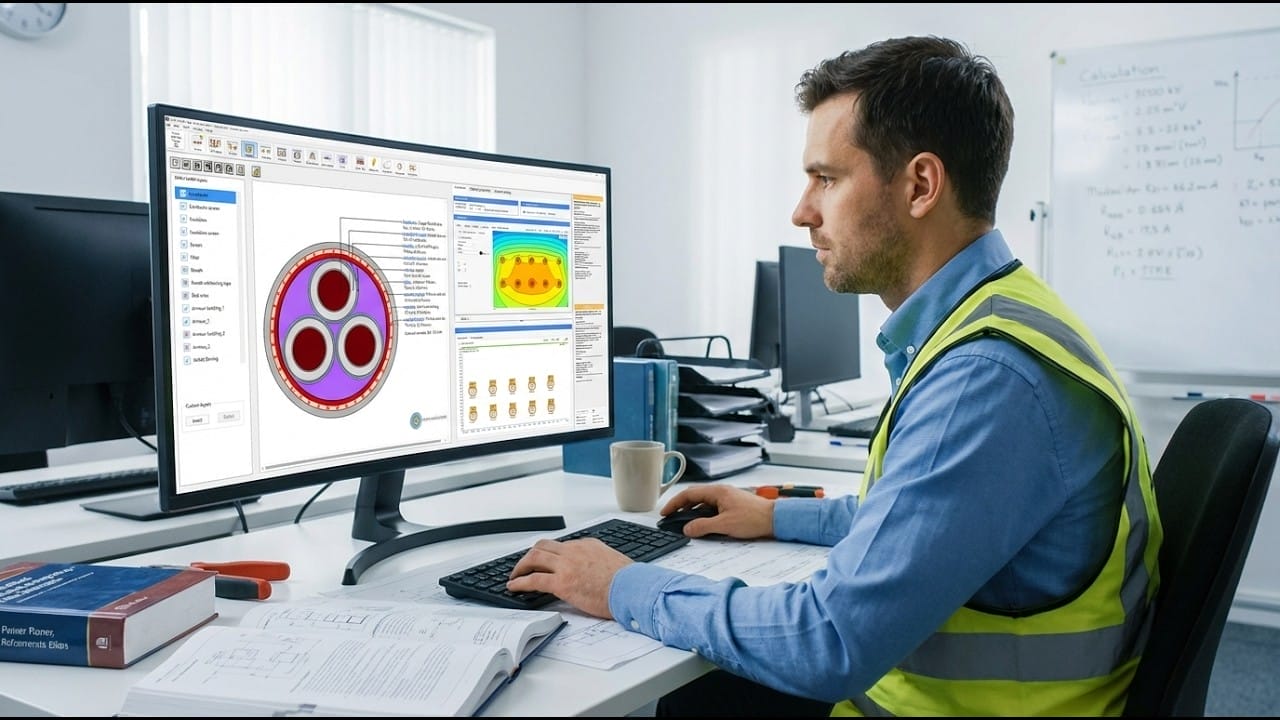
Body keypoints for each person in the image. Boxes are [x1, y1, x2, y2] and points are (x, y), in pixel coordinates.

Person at [508, 35, 1163, 717]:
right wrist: (775, 515)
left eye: (826, 177)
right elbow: (920, 521)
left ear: (919, 185)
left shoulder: (987, 377)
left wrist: (621, 586)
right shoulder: (1002, 317)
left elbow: (826, 641)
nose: (802, 210)